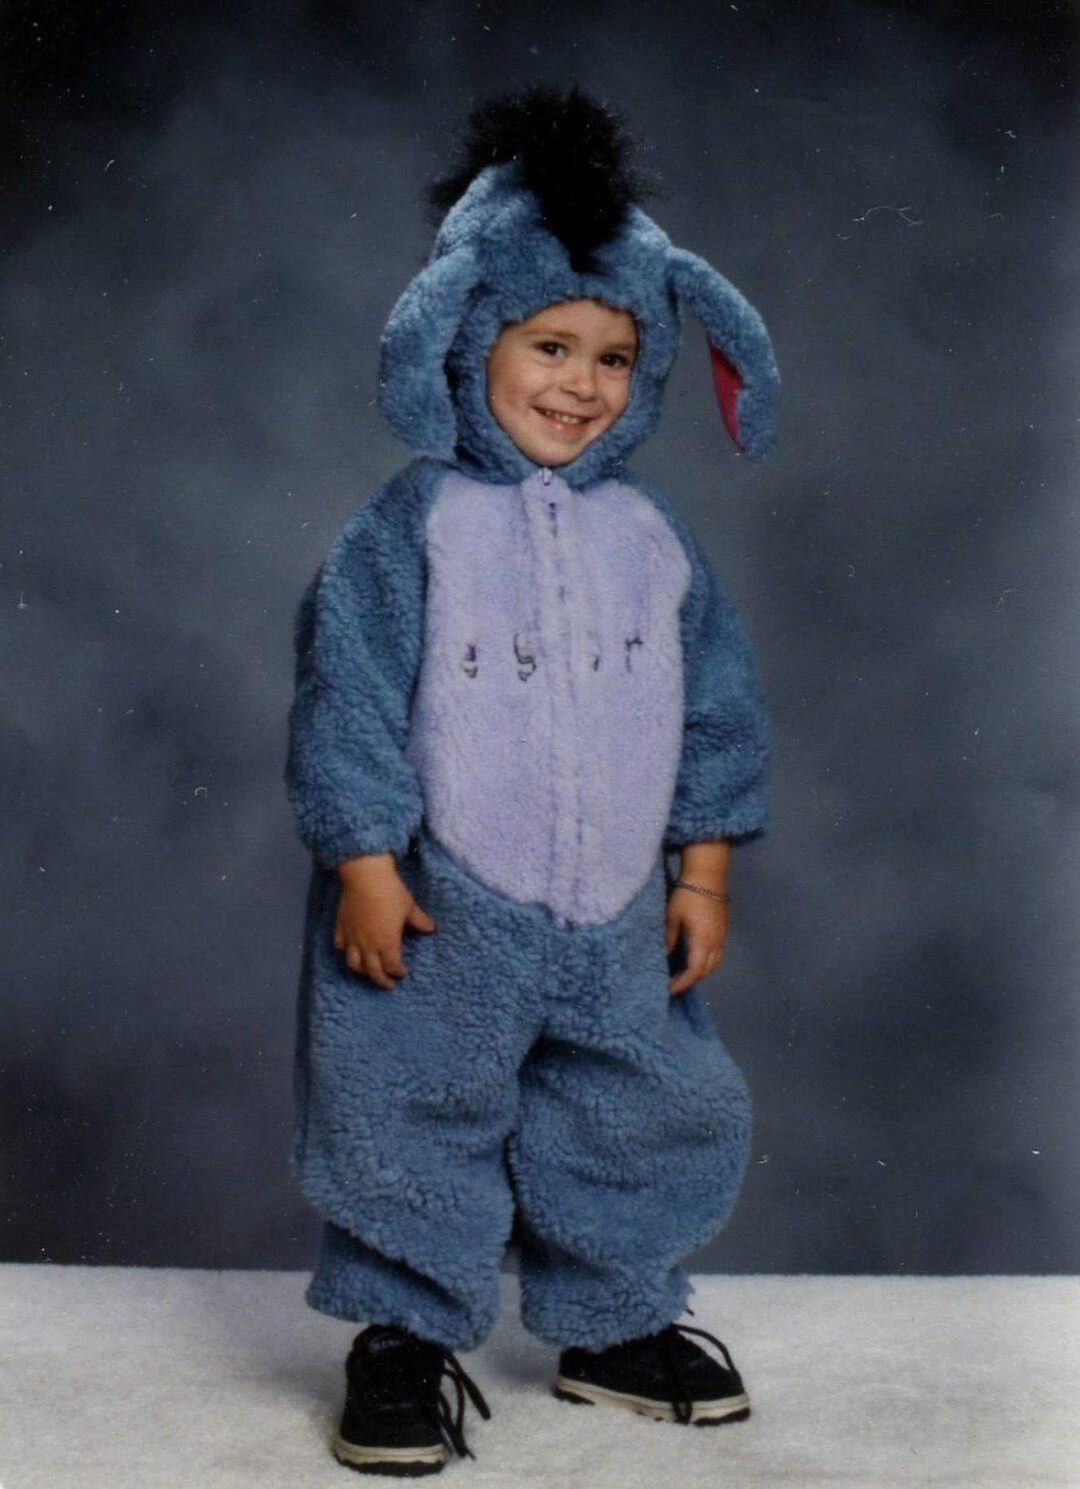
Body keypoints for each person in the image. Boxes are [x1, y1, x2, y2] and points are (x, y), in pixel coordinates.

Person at [284, 84, 779, 1477]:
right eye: (549, 344)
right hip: (444, 906)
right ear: (460, 335)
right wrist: (368, 859)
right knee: (410, 1107)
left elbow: (716, 707)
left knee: (639, 1101)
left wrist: (703, 867)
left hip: (618, 912)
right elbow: (351, 698)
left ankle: (616, 1320)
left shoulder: (652, 538)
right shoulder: (410, 526)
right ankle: (400, 1336)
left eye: (617, 356)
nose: (580, 383)